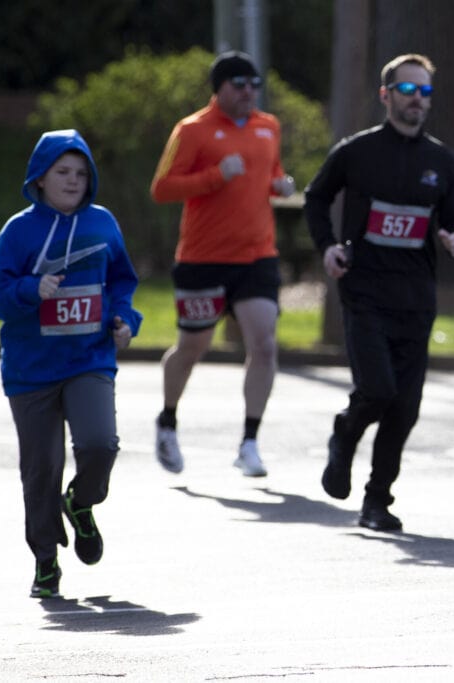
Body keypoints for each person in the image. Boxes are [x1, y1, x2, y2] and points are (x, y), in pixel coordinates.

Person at [304, 53, 454, 532]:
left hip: (416, 299)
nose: (417, 100)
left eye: (424, 92)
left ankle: (376, 501)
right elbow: (317, 197)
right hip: (364, 293)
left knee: (404, 408)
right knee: (376, 390)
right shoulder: (357, 152)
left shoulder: (441, 161)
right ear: (386, 95)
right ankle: (345, 434)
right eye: (407, 90)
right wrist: (328, 246)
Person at [0, 129, 143, 598]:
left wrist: (124, 317)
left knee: (100, 445)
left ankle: (82, 501)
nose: (73, 181)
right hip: (30, 370)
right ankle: (46, 560)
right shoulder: (19, 231)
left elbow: (122, 281)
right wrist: (32, 291)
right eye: (62, 172)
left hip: (89, 357)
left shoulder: (103, 223)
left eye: (81, 173)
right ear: (40, 177)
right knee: (41, 467)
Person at [150, 51, 296, 477]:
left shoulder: (268, 126)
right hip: (203, 259)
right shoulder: (192, 129)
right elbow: (162, 189)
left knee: (264, 345)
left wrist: (279, 185)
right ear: (220, 89)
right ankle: (168, 421)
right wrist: (216, 175)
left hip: (256, 256)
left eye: (254, 84)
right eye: (239, 84)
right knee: (194, 347)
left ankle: (249, 441)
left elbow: (272, 173)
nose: (249, 92)